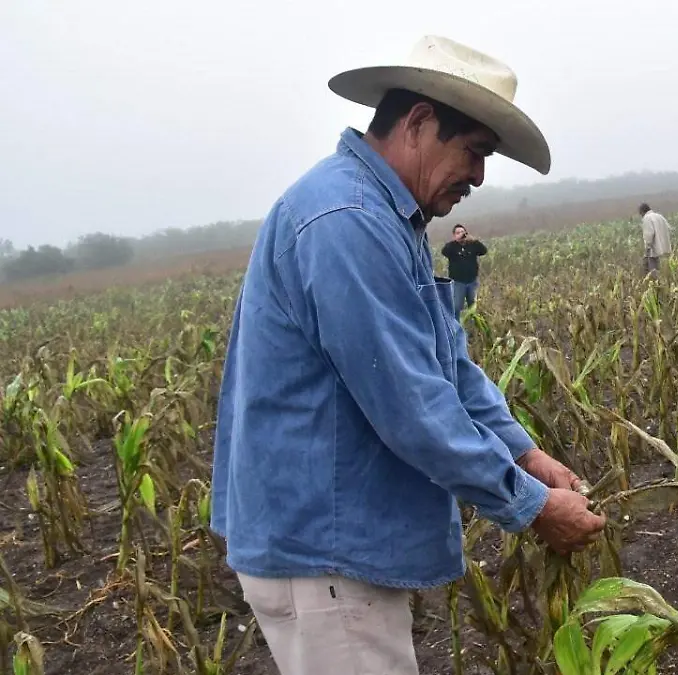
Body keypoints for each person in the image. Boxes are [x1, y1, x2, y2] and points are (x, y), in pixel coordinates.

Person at [211, 35, 605, 675]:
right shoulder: (347, 220)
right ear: (419, 123)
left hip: (333, 551)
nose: (479, 177)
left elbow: (447, 367)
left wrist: (526, 454)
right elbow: (412, 404)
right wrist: (532, 508)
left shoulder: (385, 216)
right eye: (474, 151)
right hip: (327, 555)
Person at [441, 224, 488, 316]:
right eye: (458, 233)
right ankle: (456, 326)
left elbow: (484, 251)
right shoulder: (452, 247)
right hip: (458, 282)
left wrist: (474, 240)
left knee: (473, 306)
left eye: (463, 232)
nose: (461, 234)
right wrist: (456, 241)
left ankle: (475, 324)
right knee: (457, 306)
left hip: (472, 281)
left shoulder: (472, 245)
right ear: (454, 235)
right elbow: (444, 251)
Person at [638, 203, 672, 276]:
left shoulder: (647, 218)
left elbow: (649, 234)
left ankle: (656, 282)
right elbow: (669, 228)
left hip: (654, 250)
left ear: (642, 212)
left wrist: (647, 248)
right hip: (664, 248)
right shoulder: (659, 216)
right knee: (663, 269)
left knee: (653, 270)